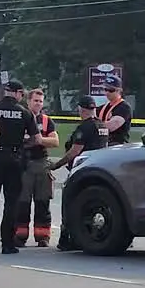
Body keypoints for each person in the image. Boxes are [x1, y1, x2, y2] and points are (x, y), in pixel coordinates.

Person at [0, 80, 41, 254]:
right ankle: (7, 243)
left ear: (6, 91)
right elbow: (36, 139)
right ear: (19, 93)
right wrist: (22, 144)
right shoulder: (25, 112)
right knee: (11, 202)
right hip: (15, 159)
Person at [51, 95, 108, 251]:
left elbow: (74, 151)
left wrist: (56, 165)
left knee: (70, 203)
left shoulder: (85, 127)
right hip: (99, 170)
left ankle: (67, 239)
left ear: (80, 109)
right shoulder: (102, 125)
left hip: (82, 170)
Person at [15, 89, 59, 246]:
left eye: (41, 101)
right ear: (28, 102)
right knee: (22, 202)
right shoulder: (21, 117)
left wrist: (39, 140)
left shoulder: (46, 120)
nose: (38, 104)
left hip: (41, 163)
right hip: (24, 164)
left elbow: (55, 142)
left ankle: (42, 237)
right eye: (36, 101)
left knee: (42, 202)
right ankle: (20, 236)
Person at [96, 76, 133, 146]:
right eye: (105, 89)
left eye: (111, 90)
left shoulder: (124, 107)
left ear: (119, 90)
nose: (107, 93)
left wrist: (92, 128)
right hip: (102, 144)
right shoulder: (102, 107)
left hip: (118, 146)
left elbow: (111, 127)